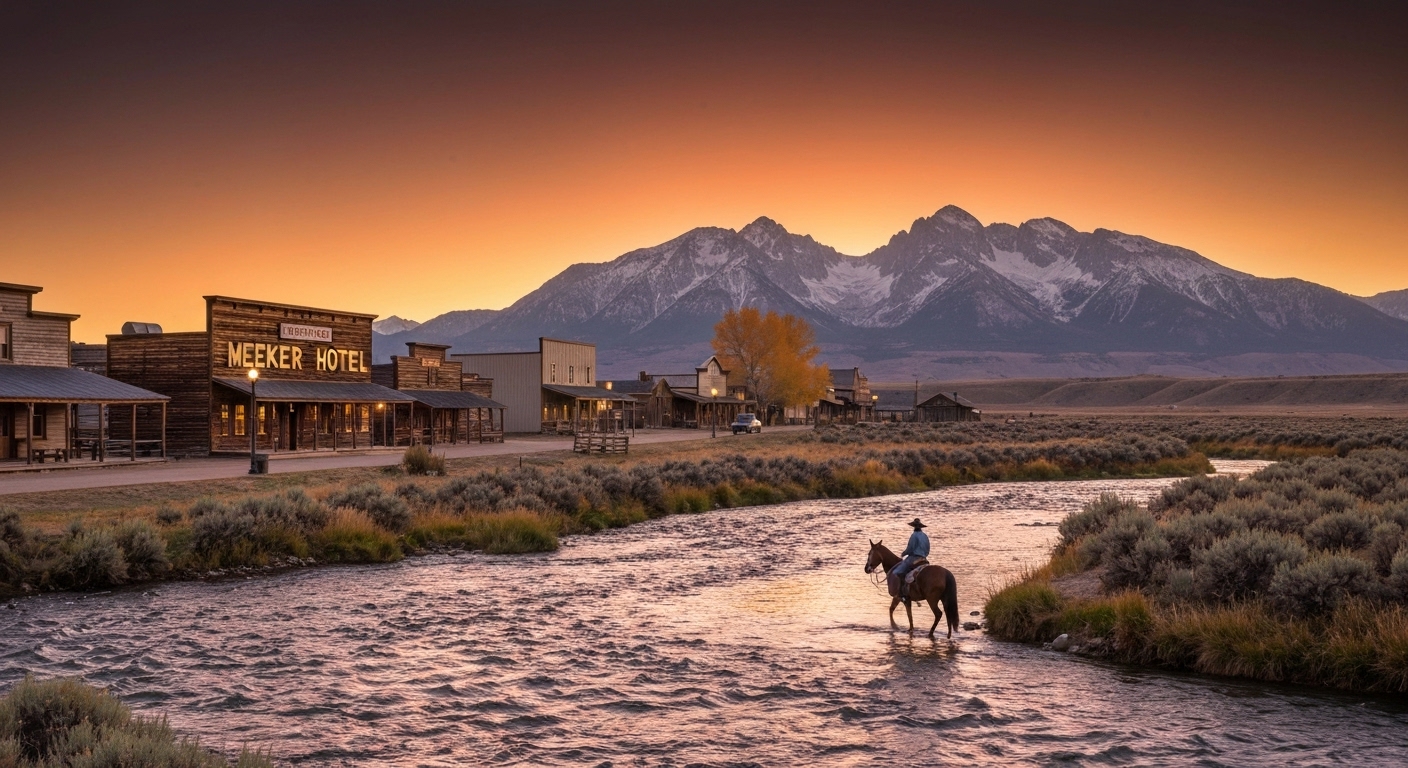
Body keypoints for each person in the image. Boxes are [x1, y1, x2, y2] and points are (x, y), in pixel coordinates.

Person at [890, 518, 930, 602]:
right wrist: (924, 555)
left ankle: (902, 594)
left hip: (914, 557)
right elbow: (928, 549)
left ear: (914, 527)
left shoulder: (914, 535)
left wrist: (904, 553)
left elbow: (910, 548)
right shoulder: (925, 536)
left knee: (897, 572)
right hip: (923, 558)